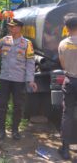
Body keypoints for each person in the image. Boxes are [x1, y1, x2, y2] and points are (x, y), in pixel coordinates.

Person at [58, 13, 77, 160]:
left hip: (70, 81)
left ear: (66, 27)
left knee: (67, 114)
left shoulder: (63, 44)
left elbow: (63, 65)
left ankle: (65, 149)